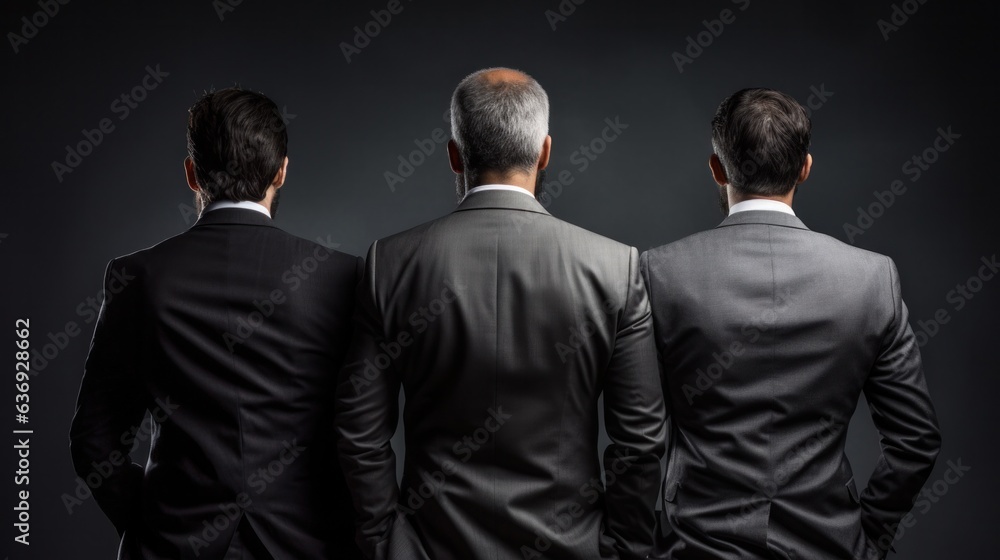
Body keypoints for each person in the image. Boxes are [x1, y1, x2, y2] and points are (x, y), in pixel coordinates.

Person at [335, 68, 666, 560]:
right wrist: (624, 549)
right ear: (546, 151)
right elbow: (640, 441)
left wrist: (386, 544)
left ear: (454, 154)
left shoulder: (391, 263)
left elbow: (359, 431)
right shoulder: (615, 268)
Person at [641, 88, 942, 559]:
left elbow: (637, 434)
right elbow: (916, 441)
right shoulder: (871, 277)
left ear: (717, 169)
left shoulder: (660, 272)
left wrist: (638, 542)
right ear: (805, 167)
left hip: (695, 544)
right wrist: (871, 535)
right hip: (831, 544)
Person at [69, 87, 363, 559]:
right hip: (310, 544)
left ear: (191, 174)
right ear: (281, 171)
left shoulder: (139, 277)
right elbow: (363, 431)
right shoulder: (341, 276)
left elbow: (93, 441)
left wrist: (152, 524)